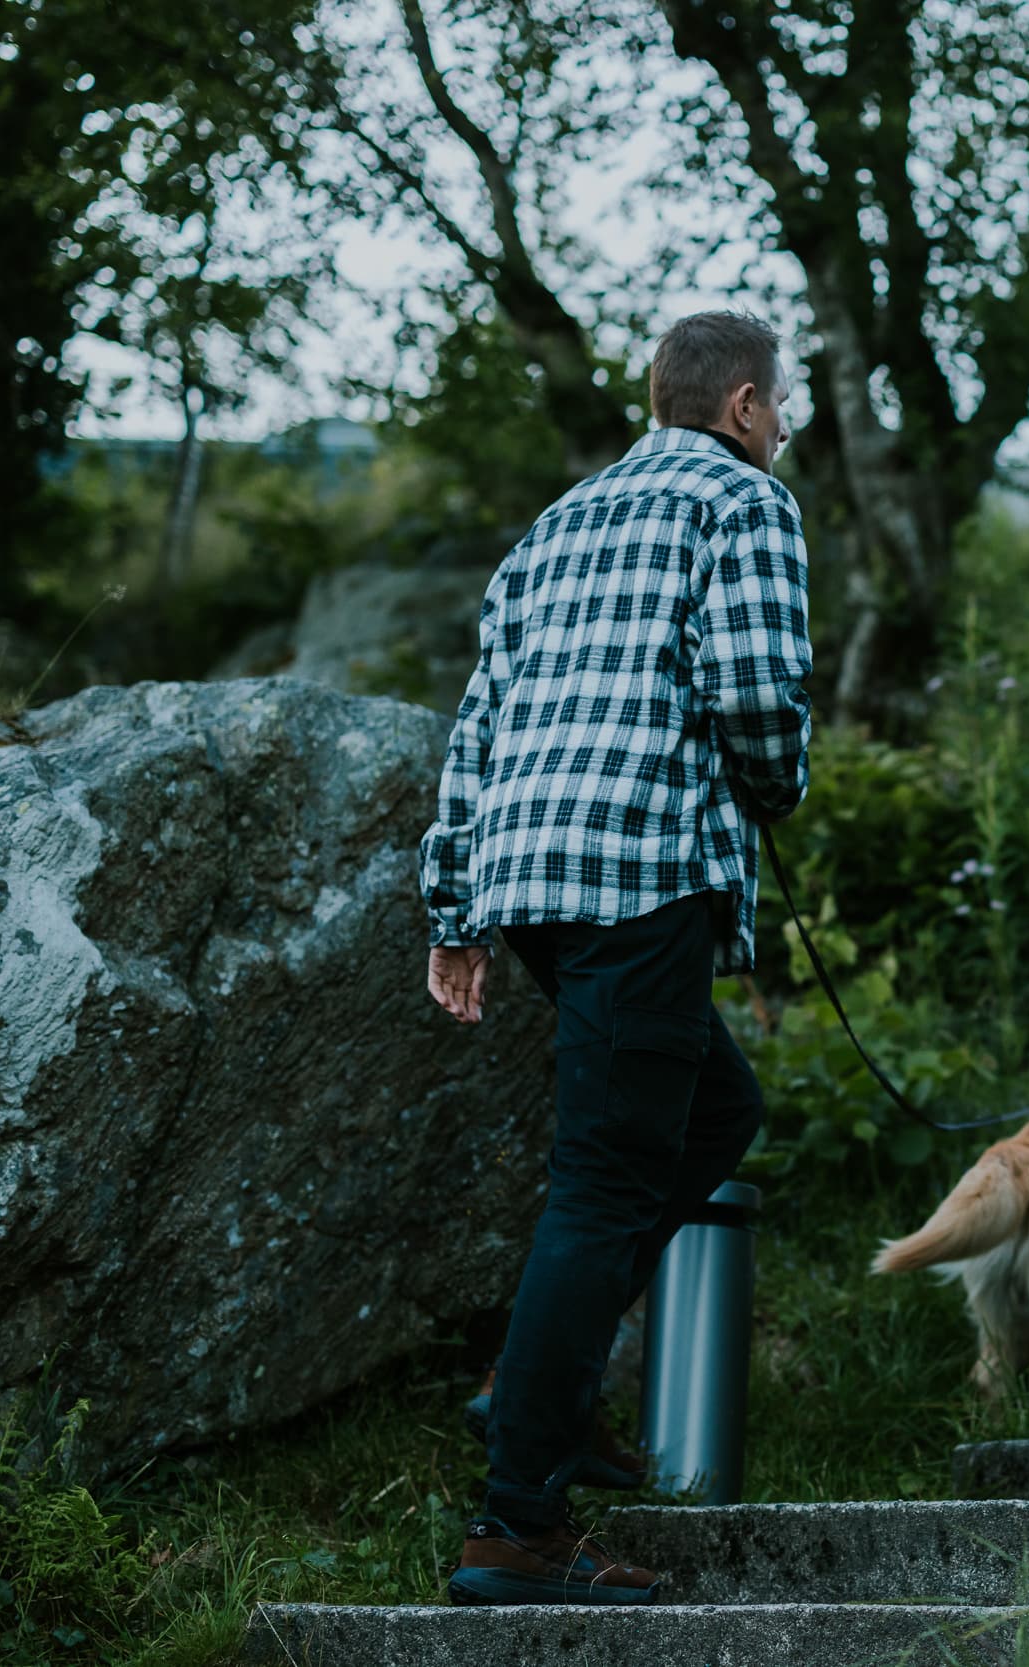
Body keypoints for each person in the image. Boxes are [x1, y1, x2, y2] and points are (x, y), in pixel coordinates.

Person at [417, 310, 812, 1605]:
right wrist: (777, 789)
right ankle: (515, 1524)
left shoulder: (555, 521)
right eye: (785, 402)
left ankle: (539, 1376)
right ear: (746, 405)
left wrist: (454, 905)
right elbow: (757, 698)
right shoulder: (744, 503)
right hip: (641, 873)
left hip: (530, 879)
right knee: (600, 1182)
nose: (785, 424)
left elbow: (479, 724)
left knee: (716, 1107)